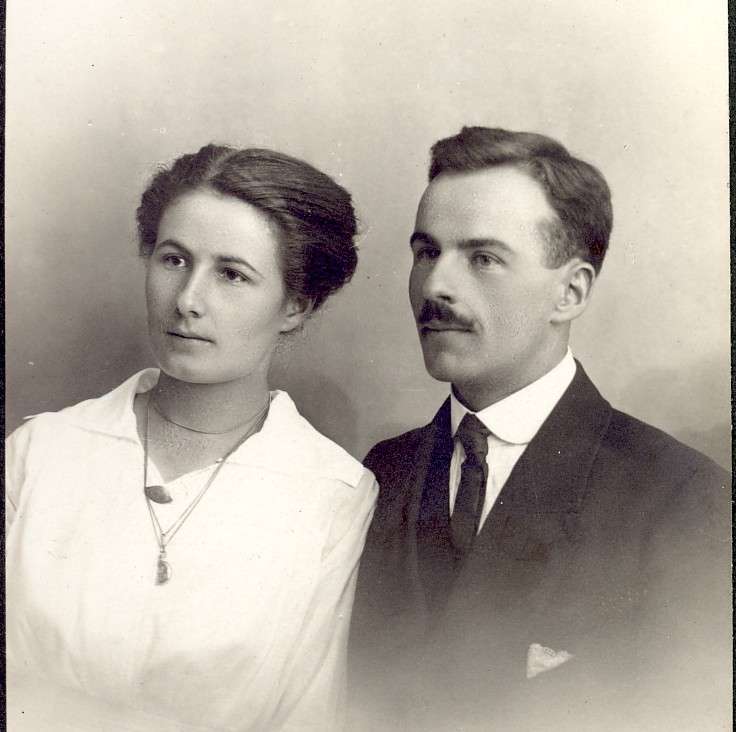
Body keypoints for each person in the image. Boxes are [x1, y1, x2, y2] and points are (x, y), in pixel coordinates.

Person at [349, 127, 730, 730]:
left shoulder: (680, 498)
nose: (436, 286)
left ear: (570, 292)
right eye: (426, 252)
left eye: (483, 258)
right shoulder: (383, 471)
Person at [6, 144, 378, 731]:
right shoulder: (42, 451)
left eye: (232, 274)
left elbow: (308, 715)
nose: (187, 301)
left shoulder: (333, 495)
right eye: (174, 259)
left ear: (296, 305)